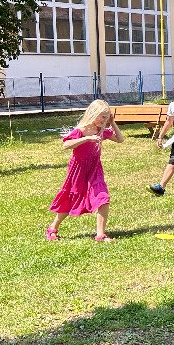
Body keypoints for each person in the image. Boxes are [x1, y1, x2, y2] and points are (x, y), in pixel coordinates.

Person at [46, 100, 125, 242]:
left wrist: (113, 123)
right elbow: (66, 144)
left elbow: (120, 140)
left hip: (95, 169)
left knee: (103, 197)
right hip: (78, 170)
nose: (104, 120)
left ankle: (100, 234)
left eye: (107, 117)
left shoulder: (101, 131)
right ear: (93, 114)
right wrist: (87, 138)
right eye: (102, 117)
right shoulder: (81, 130)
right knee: (71, 199)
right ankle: (53, 227)